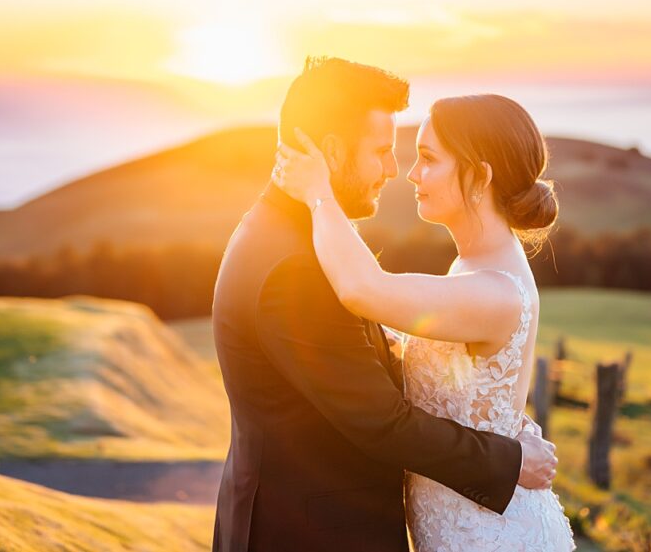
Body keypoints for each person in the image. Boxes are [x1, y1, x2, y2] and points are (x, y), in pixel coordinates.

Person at [211, 57, 557, 551]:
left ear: (480, 177)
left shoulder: (296, 236)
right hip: (311, 532)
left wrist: (497, 418)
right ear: (331, 151)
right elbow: (379, 418)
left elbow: (362, 331)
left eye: (425, 158)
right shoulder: (296, 266)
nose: (400, 172)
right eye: (382, 151)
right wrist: (508, 458)